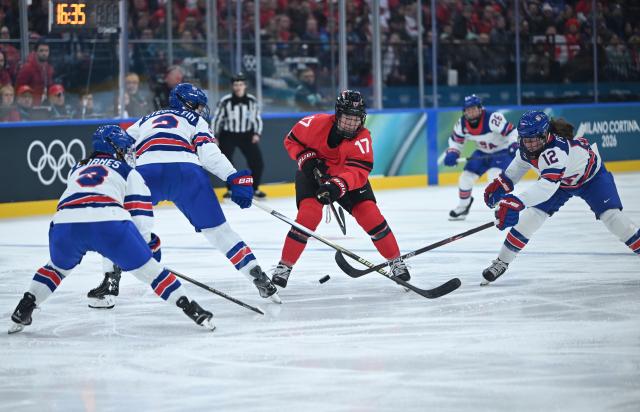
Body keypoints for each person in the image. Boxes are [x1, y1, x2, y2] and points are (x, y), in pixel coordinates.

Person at [87, 83, 280, 306]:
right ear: (185, 103)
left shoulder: (146, 119)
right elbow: (208, 153)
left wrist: (118, 179)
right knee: (220, 232)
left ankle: (109, 284)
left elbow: (120, 148)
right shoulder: (195, 121)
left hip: (147, 174)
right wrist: (232, 176)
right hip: (187, 173)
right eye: (197, 105)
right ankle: (257, 275)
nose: (200, 110)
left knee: (117, 223)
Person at [8, 125, 215, 334]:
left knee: (56, 268)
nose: (127, 153)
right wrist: (148, 247)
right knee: (151, 272)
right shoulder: (128, 171)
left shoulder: (76, 168)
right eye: (124, 149)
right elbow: (140, 215)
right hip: (107, 225)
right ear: (114, 148)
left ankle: (26, 305)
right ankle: (191, 308)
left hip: (64, 225)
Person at [270, 90, 410, 288]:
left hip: (346, 180)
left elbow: (357, 171)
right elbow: (291, 140)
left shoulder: (362, 138)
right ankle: (284, 266)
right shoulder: (314, 124)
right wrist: (306, 158)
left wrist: (337, 186)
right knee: (307, 217)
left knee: (370, 215)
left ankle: (396, 261)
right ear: (337, 115)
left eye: (356, 119)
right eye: (347, 118)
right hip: (313, 176)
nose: (352, 124)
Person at [482, 112, 640, 283]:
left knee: (613, 218)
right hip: (561, 183)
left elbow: (546, 187)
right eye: (526, 139)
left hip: (592, 179)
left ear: (545, 135)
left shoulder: (556, 151)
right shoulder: (525, 149)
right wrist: (500, 185)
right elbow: (513, 173)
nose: (530, 145)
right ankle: (502, 262)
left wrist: (517, 202)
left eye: (534, 139)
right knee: (530, 218)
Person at [442, 94, 519, 220]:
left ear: (480, 108)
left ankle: (500, 206)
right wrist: (453, 152)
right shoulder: (461, 124)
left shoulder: (493, 118)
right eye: (467, 109)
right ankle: (463, 206)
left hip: (502, 151)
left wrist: (513, 144)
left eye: (473, 108)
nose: (470, 112)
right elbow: (456, 142)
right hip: (482, 152)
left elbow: (512, 131)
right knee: (465, 178)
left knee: (494, 176)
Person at [212, 72, 266, 198]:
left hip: (247, 135)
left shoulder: (252, 101)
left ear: (245, 85)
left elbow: (257, 119)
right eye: (236, 84)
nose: (238, 87)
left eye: (241, 84)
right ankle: (231, 189)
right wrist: (215, 136)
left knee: (257, 162)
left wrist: (257, 133)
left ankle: (255, 188)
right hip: (228, 135)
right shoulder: (225, 101)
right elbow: (217, 119)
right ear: (232, 86)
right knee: (226, 162)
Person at [15, 39, 54, 105]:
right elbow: (19, 90)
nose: (44, 53)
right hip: (30, 107)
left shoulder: (49, 68)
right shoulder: (27, 68)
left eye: (46, 51)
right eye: (41, 51)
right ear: (35, 52)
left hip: (45, 105)